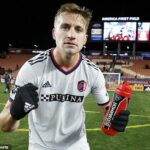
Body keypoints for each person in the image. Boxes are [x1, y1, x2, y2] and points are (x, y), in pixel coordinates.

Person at [0, 3, 130, 150]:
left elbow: (106, 114)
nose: (71, 35)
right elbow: (4, 126)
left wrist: (115, 119)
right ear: (54, 33)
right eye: (65, 27)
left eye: (78, 29)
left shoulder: (93, 72)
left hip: (78, 145)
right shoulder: (32, 69)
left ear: (85, 39)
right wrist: (14, 114)